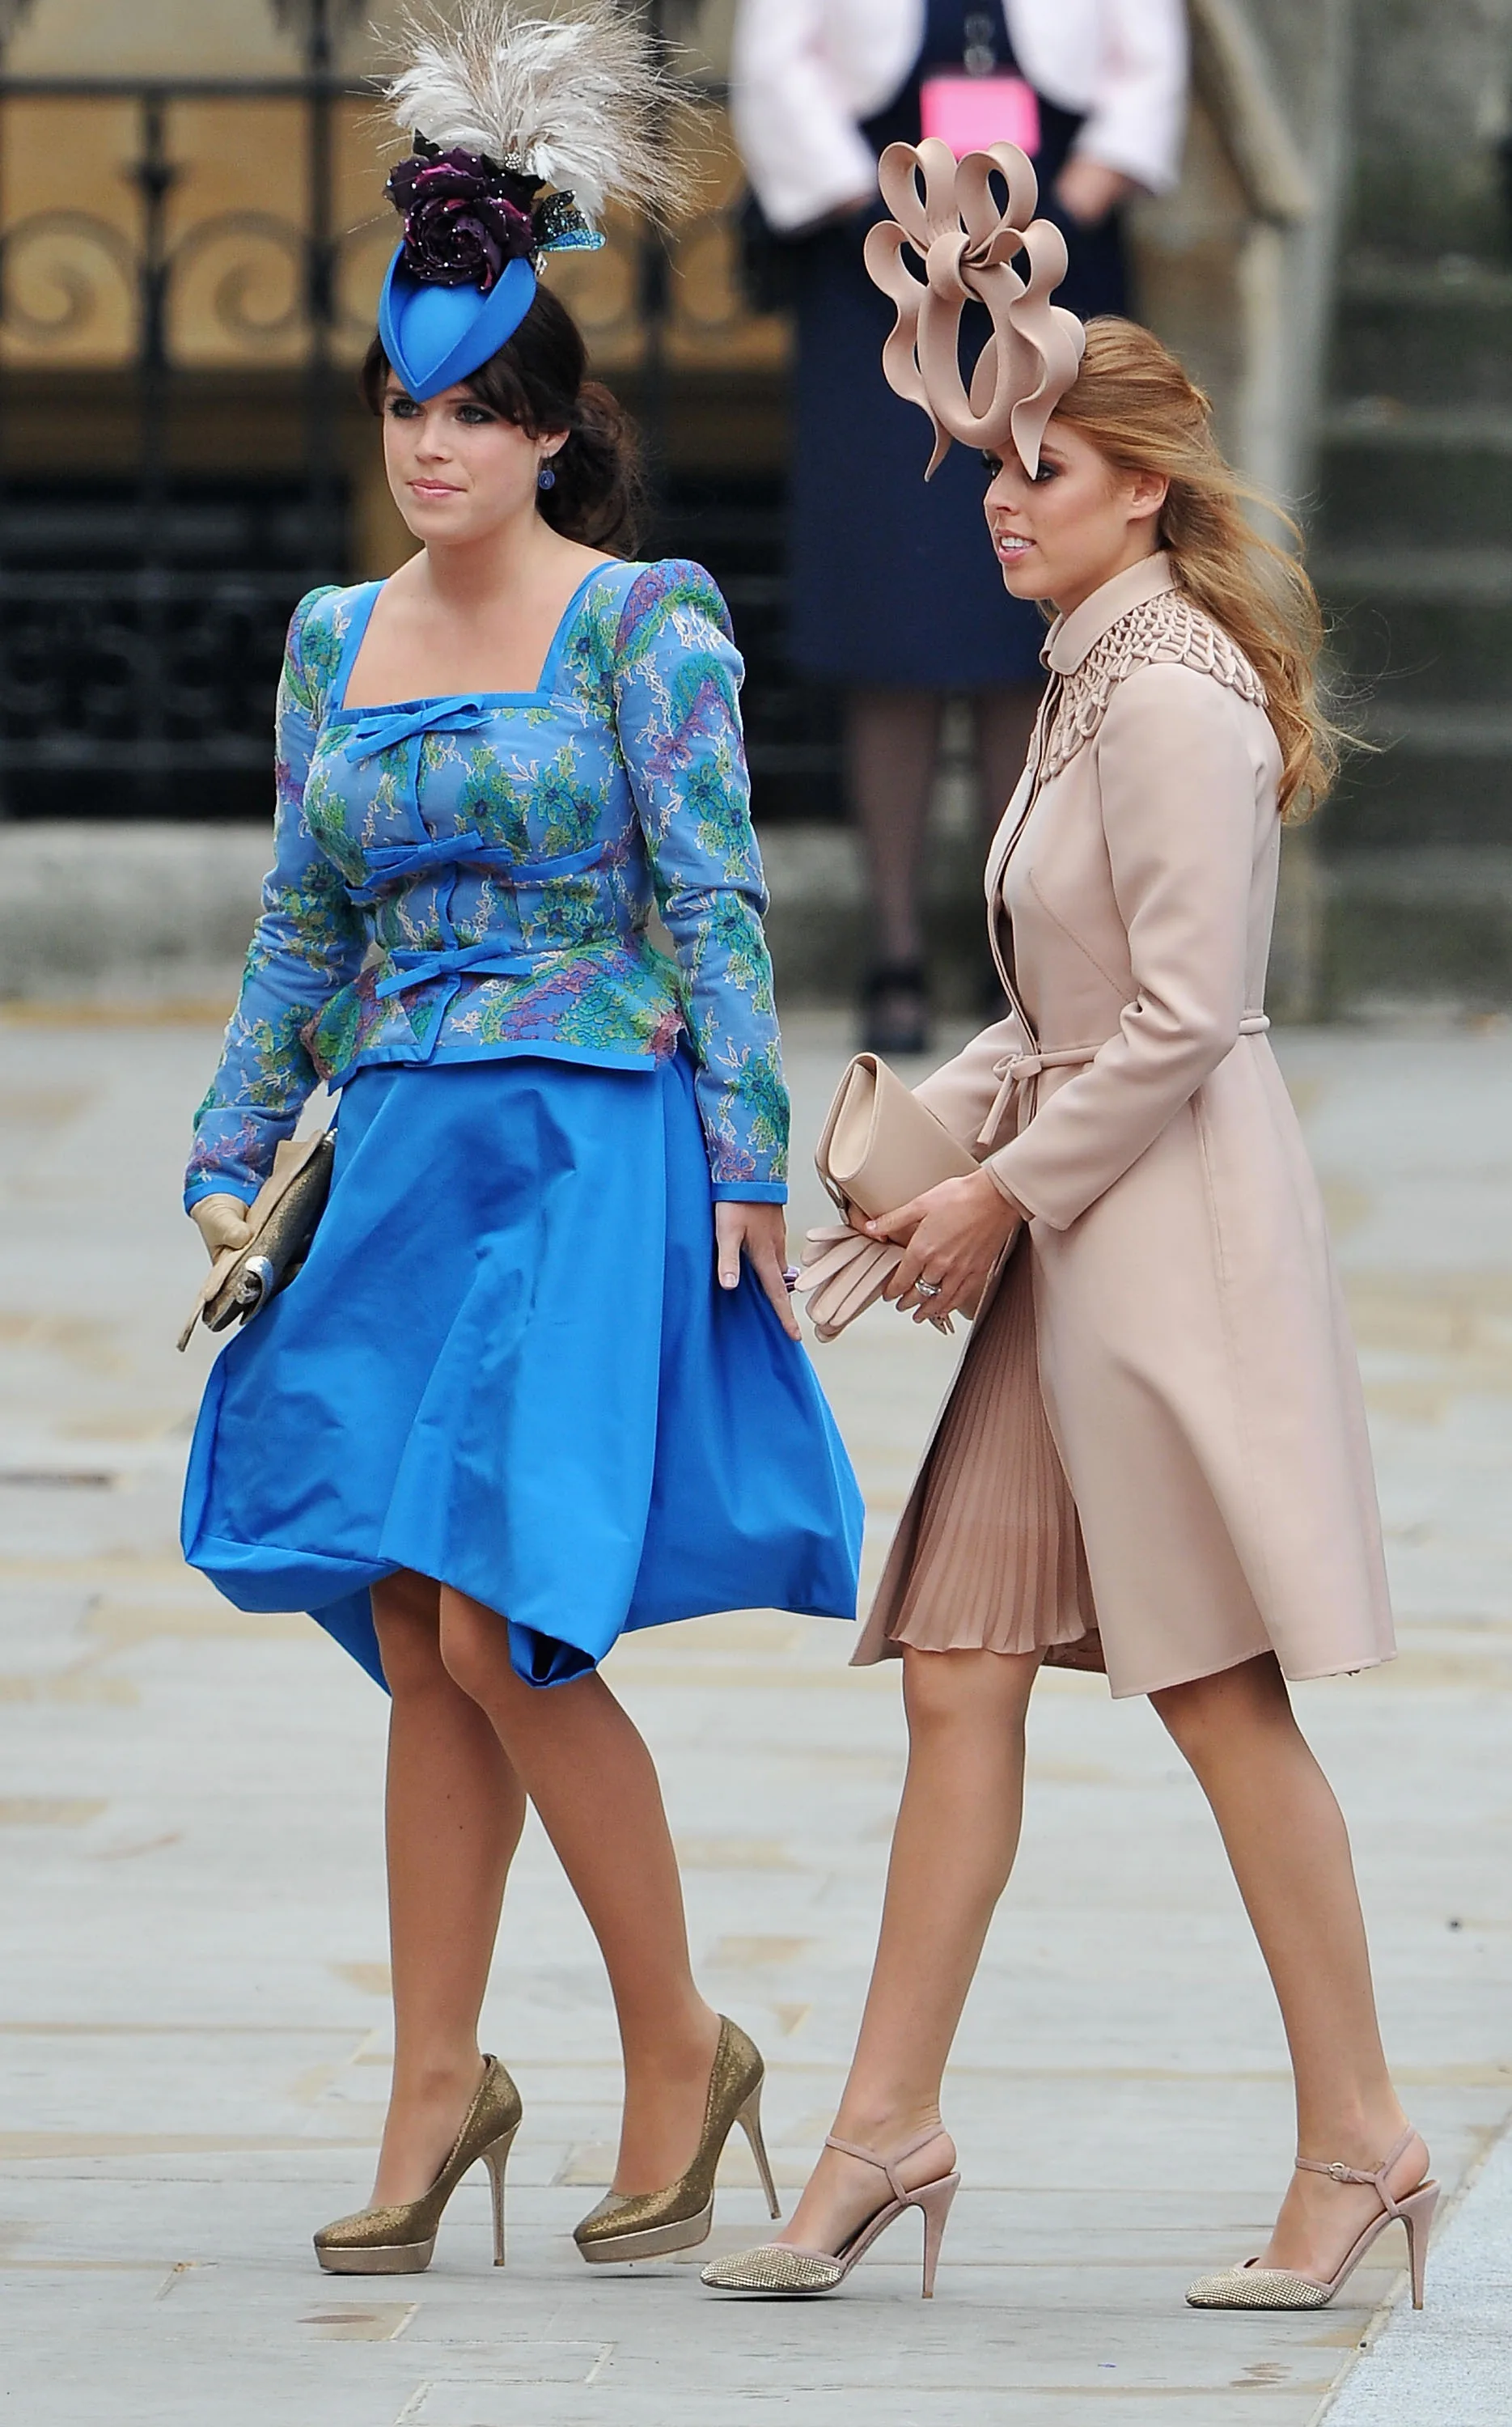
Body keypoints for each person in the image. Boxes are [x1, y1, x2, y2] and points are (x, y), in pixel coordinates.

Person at [704, 141, 1438, 2311]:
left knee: (1218, 1708)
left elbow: (1197, 1016)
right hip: (1068, 1256)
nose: (1000, 495)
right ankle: (879, 2131)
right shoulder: (1084, 674)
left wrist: (991, 1196)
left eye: (1041, 464)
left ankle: (1363, 2142)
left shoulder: (1173, 692)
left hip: (1159, 1270)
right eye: (990, 462)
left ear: (1141, 486)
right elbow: (1072, 1004)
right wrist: (932, 1169)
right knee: (955, 1680)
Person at [180, 2, 862, 2278]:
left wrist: (748, 1171)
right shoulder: (327, 641)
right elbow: (300, 925)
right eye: (406, 404)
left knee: (503, 1619)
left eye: (481, 409)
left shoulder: (642, 626)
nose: (435, 444)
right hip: (402, 1159)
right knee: (401, 1601)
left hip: (593, 1148)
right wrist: (229, 1143)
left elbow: (718, 907)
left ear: (557, 432)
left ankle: (676, 2045)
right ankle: (435, 2078)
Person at [731, 0, 1188, 1052]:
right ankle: (891, 943)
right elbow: (778, 59)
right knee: (889, 609)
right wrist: (871, 213)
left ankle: (1020, 951)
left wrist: (1065, 209)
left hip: (1056, 270)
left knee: (1030, 617)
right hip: (878, 278)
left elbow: (1148, 65)